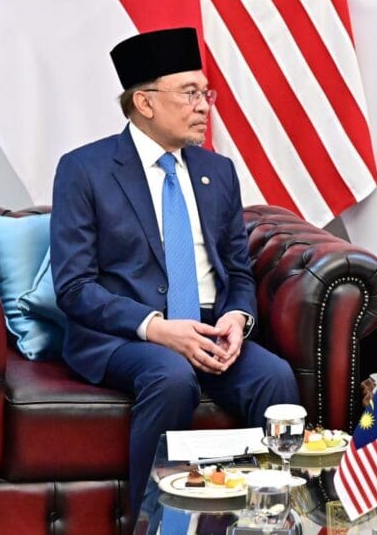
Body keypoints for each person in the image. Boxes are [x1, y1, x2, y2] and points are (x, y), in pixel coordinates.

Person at [50, 27, 300, 520]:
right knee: (171, 376)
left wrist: (237, 318)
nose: (204, 106)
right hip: (128, 334)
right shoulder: (85, 170)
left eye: (206, 94)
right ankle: (152, 524)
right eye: (189, 94)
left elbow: (238, 271)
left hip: (209, 326)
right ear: (145, 102)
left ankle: (271, 519)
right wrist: (158, 329)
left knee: (275, 377)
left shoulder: (217, 171)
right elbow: (74, 287)